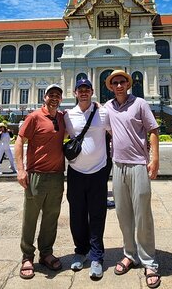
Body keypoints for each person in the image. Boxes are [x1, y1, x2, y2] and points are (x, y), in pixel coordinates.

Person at [104, 70, 161, 289]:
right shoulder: (108, 107)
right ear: (110, 86)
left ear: (129, 84)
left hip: (138, 164)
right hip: (117, 165)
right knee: (122, 213)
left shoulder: (140, 104)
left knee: (142, 213)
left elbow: (153, 130)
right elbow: (103, 128)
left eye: (122, 82)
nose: (119, 85)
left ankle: (149, 261)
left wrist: (154, 159)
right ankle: (130, 253)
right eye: (115, 83)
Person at [14, 84, 66, 279]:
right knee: (30, 216)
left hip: (57, 174)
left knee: (51, 217)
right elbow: (20, 141)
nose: (54, 98)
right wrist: (20, 170)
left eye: (58, 95)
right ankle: (27, 255)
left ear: (61, 99)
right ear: (44, 97)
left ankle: (46, 252)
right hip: (36, 174)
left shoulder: (61, 118)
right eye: (51, 95)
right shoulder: (34, 116)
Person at [63, 78, 110, 280]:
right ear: (75, 93)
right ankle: (81, 251)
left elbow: (117, 133)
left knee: (97, 214)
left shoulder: (103, 112)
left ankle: (97, 256)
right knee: (77, 214)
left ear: (92, 91)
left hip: (98, 172)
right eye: (80, 89)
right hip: (76, 172)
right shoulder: (67, 115)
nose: (83, 92)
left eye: (87, 89)